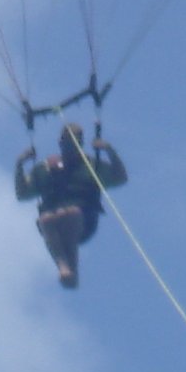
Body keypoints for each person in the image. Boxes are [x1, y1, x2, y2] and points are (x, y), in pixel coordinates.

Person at [15, 122, 127, 289]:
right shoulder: (45, 169)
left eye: (74, 143)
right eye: (67, 143)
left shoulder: (91, 166)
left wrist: (108, 150)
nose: (70, 148)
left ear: (80, 144)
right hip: (53, 221)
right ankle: (63, 267)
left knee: (71, 213)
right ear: (60, 144)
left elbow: (120, 178)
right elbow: (22, 194)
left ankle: (72, 269)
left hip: (84, 221)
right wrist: (20, 165)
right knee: (46, 219)